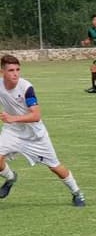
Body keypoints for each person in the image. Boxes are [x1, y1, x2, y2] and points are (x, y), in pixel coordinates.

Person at [0, 55, 86, 207]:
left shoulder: (26, 88)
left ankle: (77, 193)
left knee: (55, 167)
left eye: (18, 70)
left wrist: (13, 118)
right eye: (11, 70)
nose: (15, 74)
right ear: (2, 72)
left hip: (35, 136)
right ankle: (11, 177)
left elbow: (36, 115)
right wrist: (12, 121)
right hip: (13, 131)